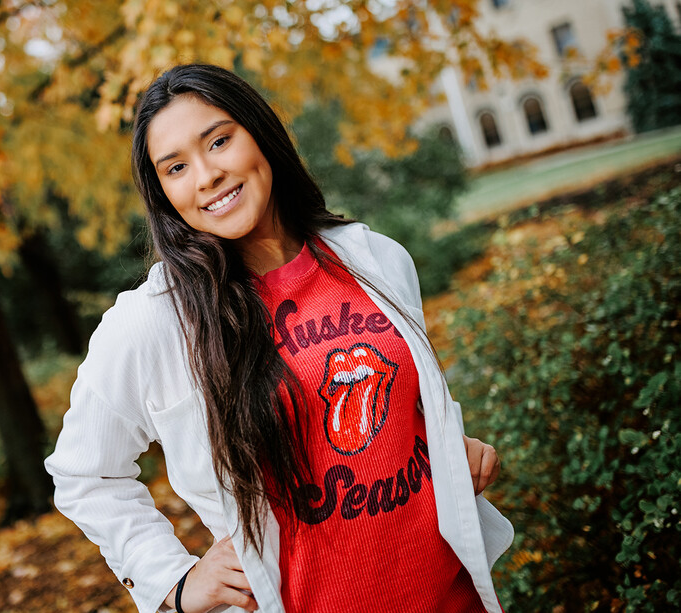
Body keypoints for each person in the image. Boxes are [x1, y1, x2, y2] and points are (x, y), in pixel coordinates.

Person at [44, 64, 512, 613]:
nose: (206, 175)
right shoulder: (156, 321)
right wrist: (173, 584)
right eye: (176, 168)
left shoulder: (375, 258)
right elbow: (84, 473)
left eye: (219, 141)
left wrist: (448, 455)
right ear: (164, 193)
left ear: (259, 133)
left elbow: (400, 407)